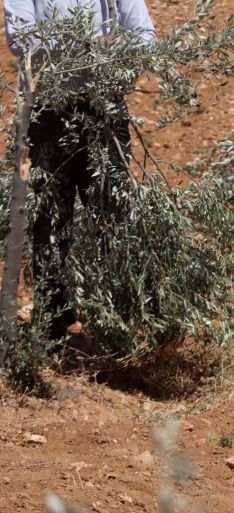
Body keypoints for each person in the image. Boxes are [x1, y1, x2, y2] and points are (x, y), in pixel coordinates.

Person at [4, 0, 155, 339]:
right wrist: (87, 45)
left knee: (112, 216)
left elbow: (146, 37)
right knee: (50, 222)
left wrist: (117, 65)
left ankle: (117, 322)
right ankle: (54, 327)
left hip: (104, 111)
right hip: (50, 112)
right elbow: (22, 40)